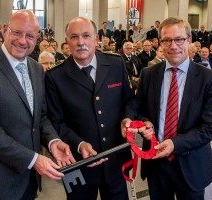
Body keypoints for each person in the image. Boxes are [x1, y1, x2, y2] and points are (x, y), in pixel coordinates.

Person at [0, 9, 75, 199]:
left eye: (30, 36)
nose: (23, 41)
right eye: (17, 32)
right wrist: (33, 159)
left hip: (29, 179)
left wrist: (53, 141)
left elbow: (40, 117)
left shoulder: (36, 69)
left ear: (37, 38)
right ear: (6, 29)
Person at [122, 16, 212, 200]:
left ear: (189, 41)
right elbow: (138, 105)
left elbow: (210, 127)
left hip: (191, 164)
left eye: (179, 39)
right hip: (156, 164)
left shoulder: (210, 79)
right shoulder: (149, 74)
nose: (173, 45)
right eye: (167, 40)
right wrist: (142, 122)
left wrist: (175, 144)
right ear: (160, 43)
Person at [45, 16, 133, 200]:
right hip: (78, 163)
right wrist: (80, 144)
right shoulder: (55, 76)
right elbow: (56, 121)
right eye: (74, 37)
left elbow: (130, 101)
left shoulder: (115, 64)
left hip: (115, 159)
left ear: (96, 39)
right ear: (67, 41)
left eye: (86, 36)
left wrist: (128, 117)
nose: (81, 42)